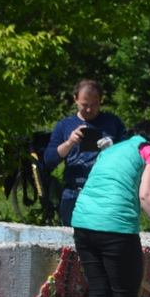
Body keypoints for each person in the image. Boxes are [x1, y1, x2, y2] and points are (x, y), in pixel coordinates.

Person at [69, 120, 150, 297]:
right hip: (116, 227)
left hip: (82, 223)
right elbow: (146, 196)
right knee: (125, 292)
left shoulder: (111, 149)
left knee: (99, 288)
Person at [43, 79, 126, 227]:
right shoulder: (64, 125)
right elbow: (49, 160)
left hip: (106, 193)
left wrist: (112, 150)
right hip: (73, 192)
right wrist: (69, 143)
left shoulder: (114, 123)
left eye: (94, 105)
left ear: (101, 100)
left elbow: (128, 158)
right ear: (75, 99)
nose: (89, 110)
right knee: (70, 241)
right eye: (84, 105)